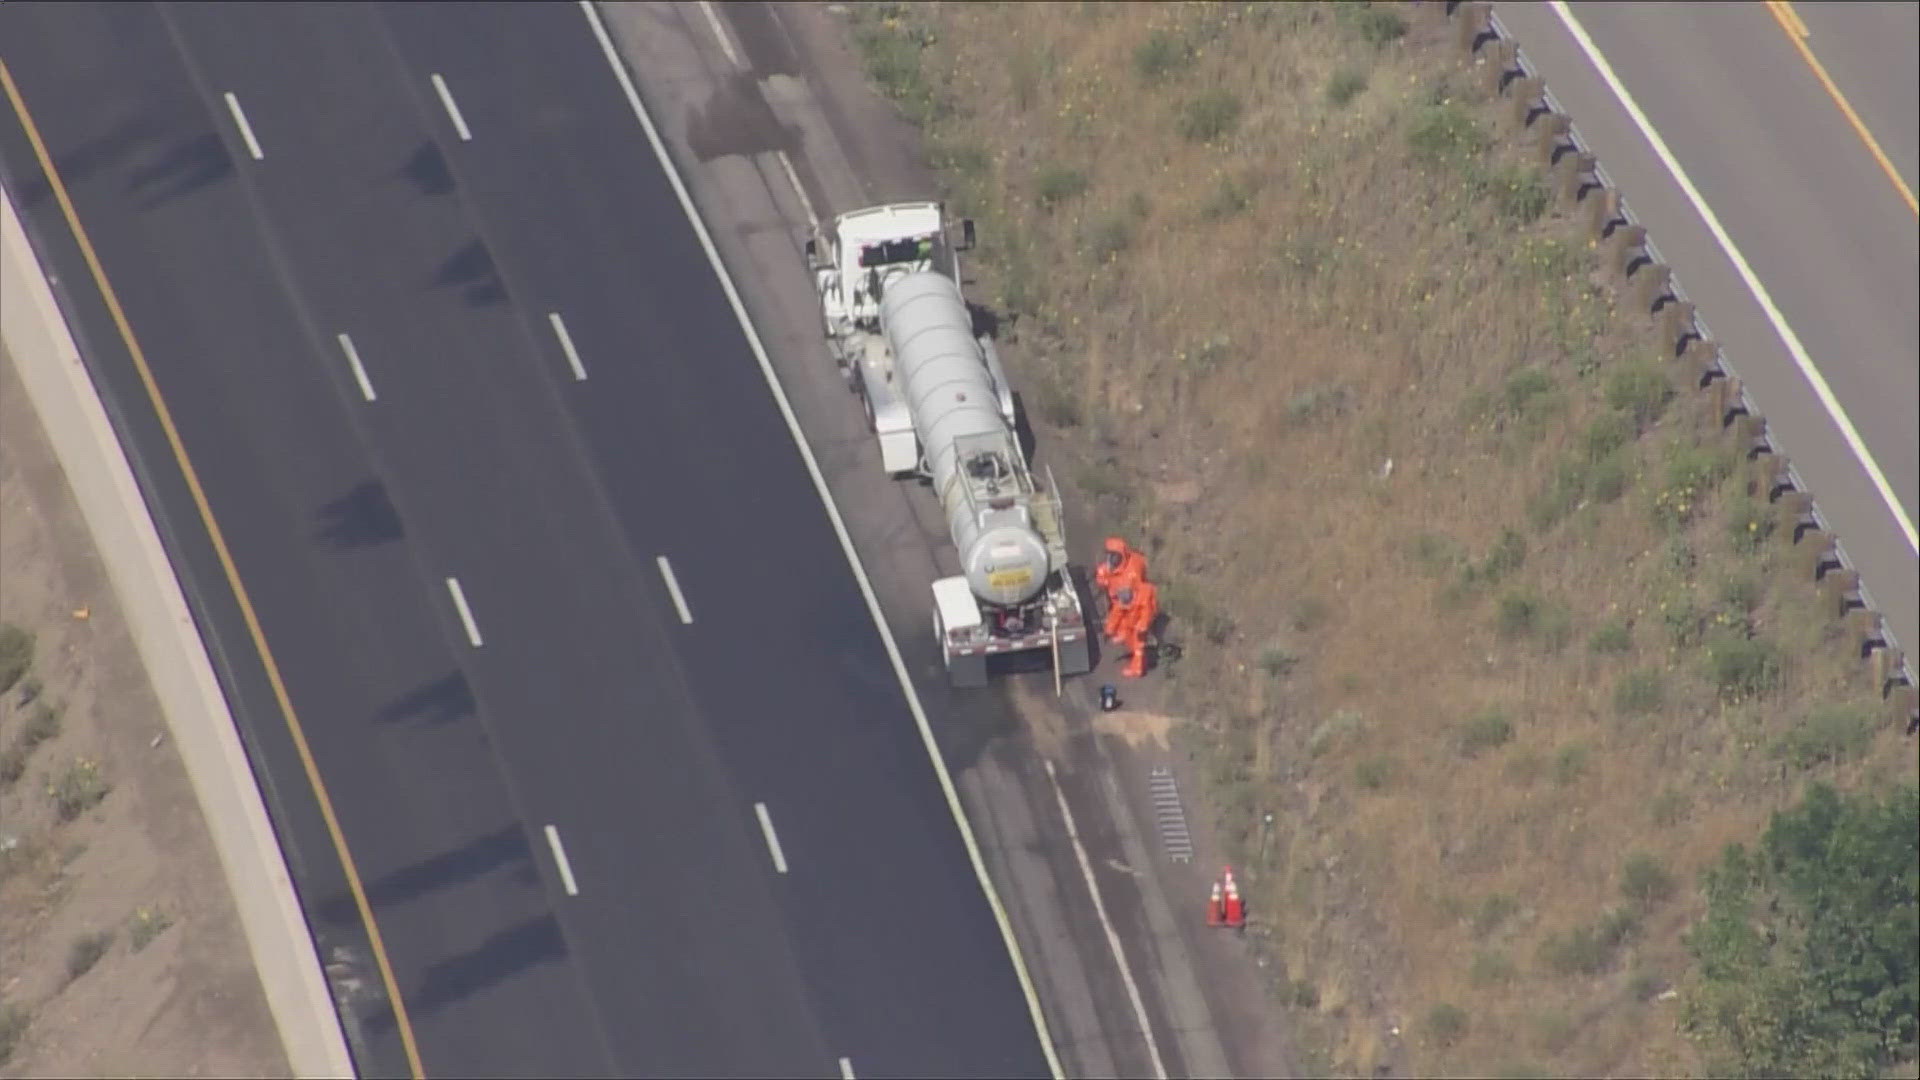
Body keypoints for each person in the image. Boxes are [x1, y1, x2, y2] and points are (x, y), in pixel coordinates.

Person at [1118, 579, 1159, 679]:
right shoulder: (1139, 591)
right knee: (1137, 646)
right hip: (1146, 618)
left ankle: (1137, 670)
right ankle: (1142, 663)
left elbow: (1145, 616)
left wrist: (1141, 627)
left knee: (1138, 648)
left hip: (1143, 624)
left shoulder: (1142, 604)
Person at [1094, 537, 1147, 606]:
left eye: (1113, 555)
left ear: (1120, 555)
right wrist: (1105, 580)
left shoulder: (1132, 570)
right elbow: (1100, 579)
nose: (1109, 558)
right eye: (1108, 554)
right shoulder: (1107, 567)